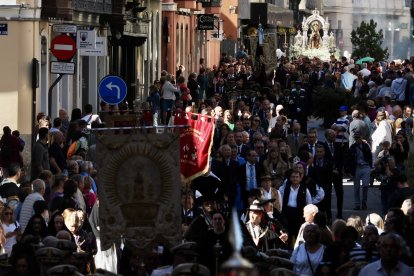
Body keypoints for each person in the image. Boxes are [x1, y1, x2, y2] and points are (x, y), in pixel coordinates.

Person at [347, 131, 372, 210]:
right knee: (356, 187)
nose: (357, 139)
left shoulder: (366, 146)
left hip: (366, 167)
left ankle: (364, 202)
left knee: (365, 185)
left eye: (358, 137)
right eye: (356, 138)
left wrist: (370, 167)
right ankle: (357, 204)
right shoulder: (353, 147)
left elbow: (370, 156)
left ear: (361, 137)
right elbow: (349, 160)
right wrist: (350, 171)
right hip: (357, 167)